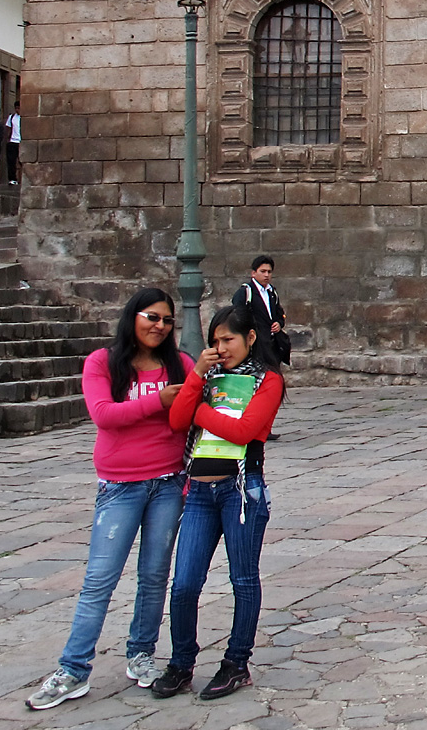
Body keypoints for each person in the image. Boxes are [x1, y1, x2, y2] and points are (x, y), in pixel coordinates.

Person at [25, 287, 194, 711]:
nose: (158, 326)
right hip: (120, 485)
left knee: (155, 574)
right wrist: (159, 399)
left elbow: (188, 415)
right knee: (100, 579)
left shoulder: (182, 365)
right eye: (150, 317)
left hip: (168, 482)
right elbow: (104, 414)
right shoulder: (103, 362)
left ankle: (141, 652)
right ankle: (74, 667)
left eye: (166, 320)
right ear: (132, 317)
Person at [152, 305, 285, 701]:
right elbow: (177, 421)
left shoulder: (268, 380)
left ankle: (236, 662)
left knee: (243, 579)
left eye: (228, 339)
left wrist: (202, 410)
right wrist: (195, 377)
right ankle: (181, 663)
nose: (221, 347)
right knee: (184, 583)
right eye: (215, 341)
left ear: (251, 338)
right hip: (199, 492)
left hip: (241, 490)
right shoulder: (207, 377)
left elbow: (245, 431)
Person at [232, 255, 288, 440]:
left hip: (272, 343)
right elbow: (238, 315)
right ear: (253, 272)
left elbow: (279, 314)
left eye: (269, 272)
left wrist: (279, 323)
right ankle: (253, 423)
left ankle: (266, 426)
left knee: (273, 384)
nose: (266, 275)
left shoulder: (272, 292)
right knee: (256, 384)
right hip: (257, 345)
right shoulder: (245, 293)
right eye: (263, 271)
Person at [5, 101, 21, 184]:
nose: (18, 110)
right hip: (13, 141)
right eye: (17, 108)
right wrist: (8, 139)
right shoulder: (12, 117)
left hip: (21, 141)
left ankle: (21, 178)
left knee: (21, 161)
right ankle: (12, 178)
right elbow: (8, 128)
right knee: (11, 161)